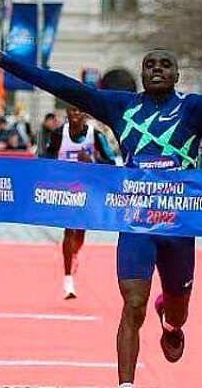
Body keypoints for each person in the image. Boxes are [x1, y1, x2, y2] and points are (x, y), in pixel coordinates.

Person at [0, 39, 202, 388]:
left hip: (179, 227)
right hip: (136, 223)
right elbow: (61, 85)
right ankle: (126, 384)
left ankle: (170, 322)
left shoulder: (193, 109)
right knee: (133, 303)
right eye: (150, 64)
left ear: (176, 75)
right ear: (142, 74)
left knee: (179, 312)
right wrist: (4, 61)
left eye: (165, 64)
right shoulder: (121, 107)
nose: (157, 68)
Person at [42, 104, 117, 299]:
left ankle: (74, 253)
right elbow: (46, 158)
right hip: (66, 188)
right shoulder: (59, 134)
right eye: (72, 110)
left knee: (81, 232)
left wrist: (91, 161)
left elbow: (111, 162)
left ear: (85, 114)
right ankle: (68, 280)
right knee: (69, 229)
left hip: (87, 188)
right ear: (67, 113)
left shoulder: (95, 135)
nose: (76, 114)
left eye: (79, 111)